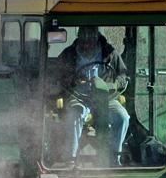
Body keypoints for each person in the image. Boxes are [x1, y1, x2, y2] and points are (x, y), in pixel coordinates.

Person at [54, 26, 129, 165]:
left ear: (97, 37)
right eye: (84, 40)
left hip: (106, 98)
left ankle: (114, 159)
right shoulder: (68, 54)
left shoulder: (109, 52)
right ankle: (71, 159)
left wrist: (114, 85)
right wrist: (72, 79)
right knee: (74, 115)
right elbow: (57, 75)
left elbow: (123, 75)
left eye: (90, 39)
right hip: (78, 96)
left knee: (123, 117)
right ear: (79, 37)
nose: (87, 44)